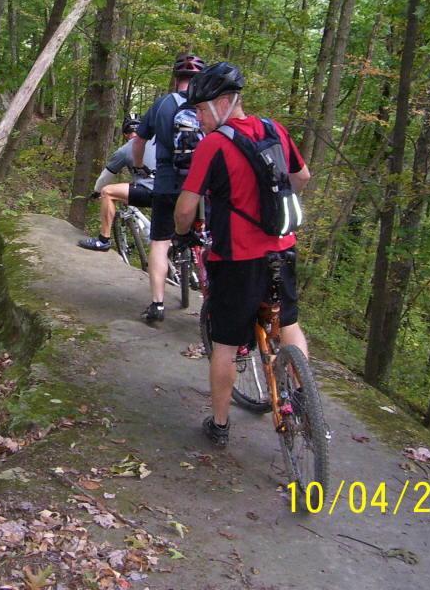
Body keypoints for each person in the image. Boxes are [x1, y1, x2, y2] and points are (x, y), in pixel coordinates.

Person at [172, 61, 311, 448]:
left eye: (201, 110)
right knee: (289, 325)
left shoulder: (214, 145)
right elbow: (302, 178)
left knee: (226, 345)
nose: (198, 118)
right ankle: (303, 397)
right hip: (283, 249)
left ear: (223, 103)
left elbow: (185, 209)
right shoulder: (274, 130)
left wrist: (182, 235)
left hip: (236, 259)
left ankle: (219, 424)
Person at [131, 52, 206, 323]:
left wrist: (140, 168)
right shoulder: (208, 106)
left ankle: (157, 305)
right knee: (210, 240)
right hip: (201, 187)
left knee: (160, 244)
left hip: (166, 182)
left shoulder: (162, 105)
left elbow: (138, 143)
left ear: (176, 78)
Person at [77, 117, 157, 251]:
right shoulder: (159, 142)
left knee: (107, 192)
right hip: (173, 189)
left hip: (150, 190)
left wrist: (97, 191)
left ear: (125, 134)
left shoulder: (125, 150)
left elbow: (105, 178)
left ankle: (103, 240)